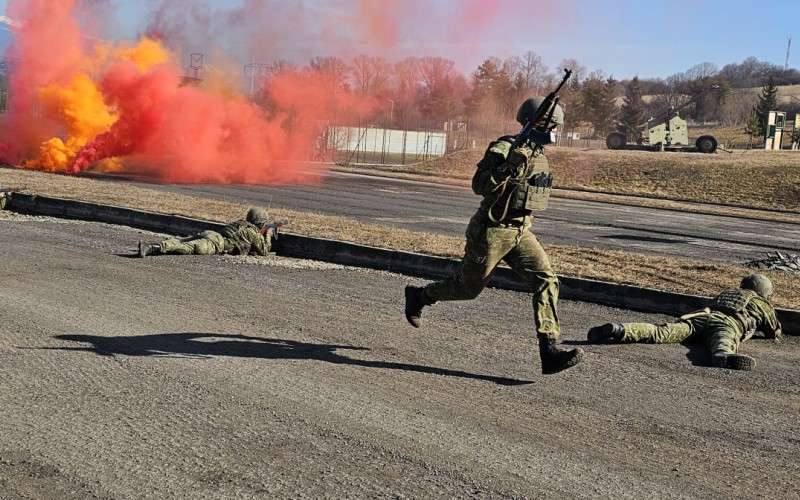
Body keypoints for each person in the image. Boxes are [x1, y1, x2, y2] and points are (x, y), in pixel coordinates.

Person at [403, 97, 584, 375]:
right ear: (541, 124)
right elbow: (479, 185)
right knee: (468, 289)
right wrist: (507, 166)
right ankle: (420, 296)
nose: (557, 131)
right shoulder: (505, 147)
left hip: (519, 231)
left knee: (546, 280)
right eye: (554, 126)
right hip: (490, 231)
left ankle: (549, 350)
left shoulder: (538, 153)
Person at [586, 274, 782, 371]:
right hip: (727, 323)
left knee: (661, 331)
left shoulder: (730, 292)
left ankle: (620, 329)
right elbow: (773, 331)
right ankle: (722, 356)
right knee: (724, 340)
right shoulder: (763, 304)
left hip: (700, 317)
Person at [138, 207, 274, 258]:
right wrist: (268, 234)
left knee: (181, 242)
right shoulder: (252, 232)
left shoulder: (241, 223)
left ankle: (156, 245)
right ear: (260, 222)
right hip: (216, 243)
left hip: (211, 234)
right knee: (187, 248)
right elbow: (264, 251)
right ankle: (151, 247)